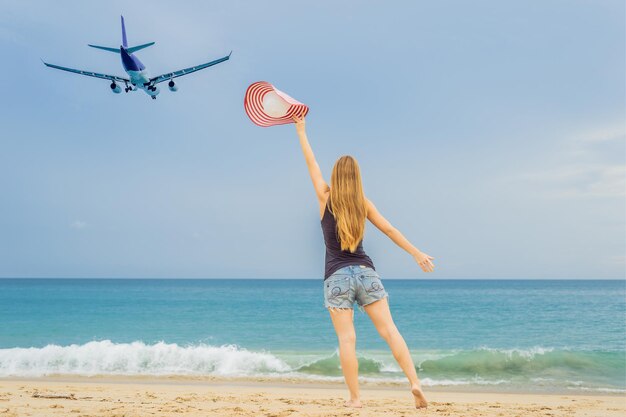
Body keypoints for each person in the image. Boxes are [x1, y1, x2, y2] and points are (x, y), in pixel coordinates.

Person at [292, 115, 434, 409]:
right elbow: (390, 229)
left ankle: (355, 399)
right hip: (367, 273)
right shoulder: (363, 203)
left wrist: (301, 129)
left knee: (348, 340)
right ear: (357, 177)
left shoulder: (324, 197)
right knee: (390, 331)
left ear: (335, 176)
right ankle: (414, 383)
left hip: (337, 277)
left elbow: (311, 162)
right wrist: (416, 253)